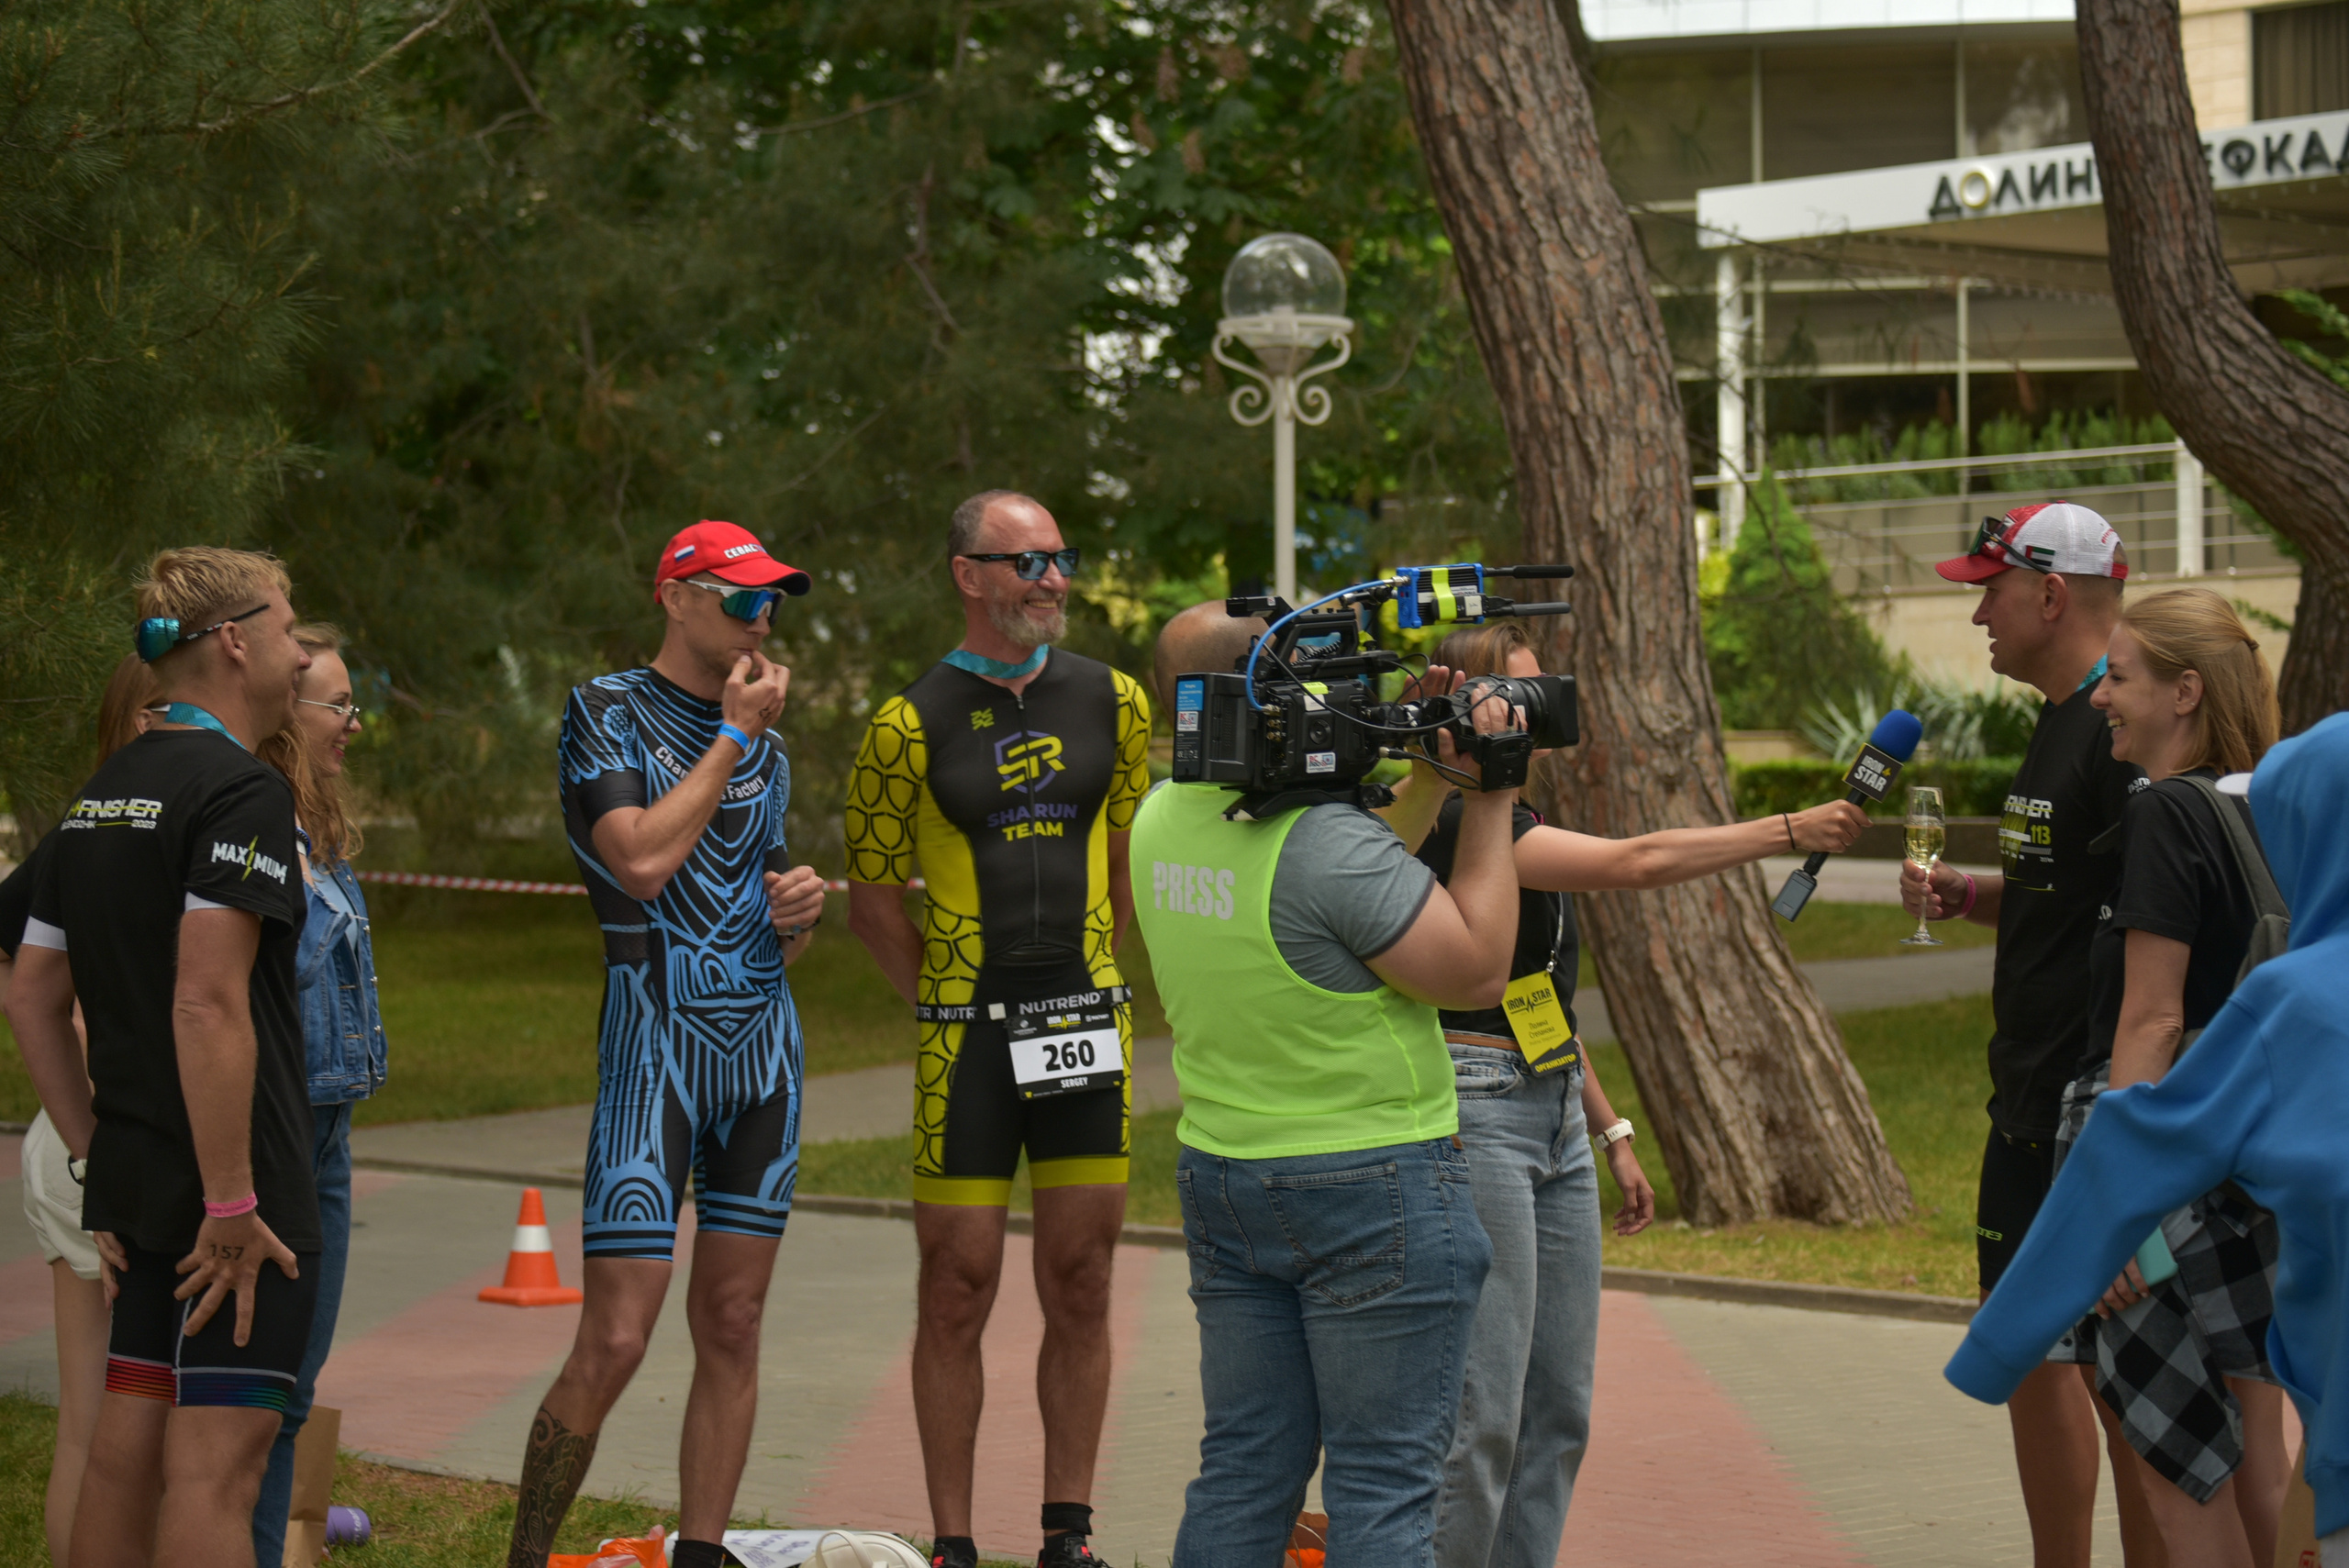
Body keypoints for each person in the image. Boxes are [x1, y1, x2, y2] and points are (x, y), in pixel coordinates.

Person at [1375, 617, 1867, 1568]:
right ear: (1460, 709)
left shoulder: (1509, 816)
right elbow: (1636, 863)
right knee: (1483, 1411)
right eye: (1513, 696)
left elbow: (1534, 990)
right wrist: (1787, 830)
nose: (1536, 712)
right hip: (1474, 1103)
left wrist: (1609, 1128)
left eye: (1539, 692)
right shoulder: (1452, 819)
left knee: (1558, 1405)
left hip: (1550, 1105)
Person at [1132, 602, 1519, 1566]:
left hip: (1228, 1175)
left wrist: (1426, 776)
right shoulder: (1321, 847)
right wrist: (1494, 795)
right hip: (1372, 1182)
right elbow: (1472, 970)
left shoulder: (1161, 816)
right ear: (1276, 693)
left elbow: (1356, 861)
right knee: (1383, 1483)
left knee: (1245, 1465)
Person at [1947, 711, 2349, 1568]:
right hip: (2317, 1383)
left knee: (2184, 1469)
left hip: (2336, 1397)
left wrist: (1997, 1346)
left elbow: (2156, 1135)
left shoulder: (2296, 1000)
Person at [507, 520, 828, 1568]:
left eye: (771, 598)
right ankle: (524, 1555)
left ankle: (700, 1551)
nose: (761, 616)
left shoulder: (767, 747)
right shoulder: (604, 709)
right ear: (674, 595)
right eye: (741, 598)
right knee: (616, 1337)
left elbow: (760, 889)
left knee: (732, 1321)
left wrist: (798, 907)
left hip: (763, 1059)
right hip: (656, 1059)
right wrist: (730, 736)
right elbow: (638, 859)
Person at [843, 490, 1152, 1568]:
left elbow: (1117, 867)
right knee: (957, 1279)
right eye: (1025, 561)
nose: (1050, 578)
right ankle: (954, 1541)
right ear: (967, 574)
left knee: (1082, 1272)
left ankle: (1067, 1533)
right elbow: (873, 904)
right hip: (966, 1035)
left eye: (1060, 558)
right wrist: (948, 1001)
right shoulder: (901, 724)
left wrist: (1105, 981)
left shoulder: (1114, 700)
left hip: (1081, 1020)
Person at [7, 546, 318, 1568]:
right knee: (214, 1473)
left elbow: (31, 994)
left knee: (122, 1456)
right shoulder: (241, 794)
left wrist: (100, 1152)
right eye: (288, 627)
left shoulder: (97, 797)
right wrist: (232, 1199)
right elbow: (207, 996)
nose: (300, 652)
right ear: (234, 640)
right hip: (235, 1198)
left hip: (137, 1181)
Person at [1900, 500, 2158, 1566]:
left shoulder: (2123, 729)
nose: (1977, 619)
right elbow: (2069, 891)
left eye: (1988, 593)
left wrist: (2126, 1129)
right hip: (2022, 1100)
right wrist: (1973, 895)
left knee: (2124, 1386)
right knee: (2034, 1360)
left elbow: (2161, 924)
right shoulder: (2058, 720)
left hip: (2087, 1108)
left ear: (2050, 593)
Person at [2044, 588, 2288, 1564]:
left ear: (2183, 691)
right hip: (2252, 1163)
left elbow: (2148, 1018)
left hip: (2163, 1177)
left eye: (2121, 675)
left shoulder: (2168, 816)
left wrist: (2113, 1210)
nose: (2100, 693)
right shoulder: (2268, 802)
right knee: (2260, 1446)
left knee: (2174, 1457)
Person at [0, 652, 161, 1566]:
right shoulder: (131, 829)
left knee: (87, 1421)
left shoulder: (82, 827)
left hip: (75, 1135)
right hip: (102, 1140)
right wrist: (82, 1057)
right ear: (145, 719)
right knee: (120, 1430)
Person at [250, 625, 391, 1566]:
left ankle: (275, 1540)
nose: (352, 722)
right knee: (254, 1390)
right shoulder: (252, 821)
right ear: (284, 711)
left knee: (294, 1385)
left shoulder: (318, 821)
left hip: (328, 1127)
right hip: (274, 1130)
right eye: (336, 704)